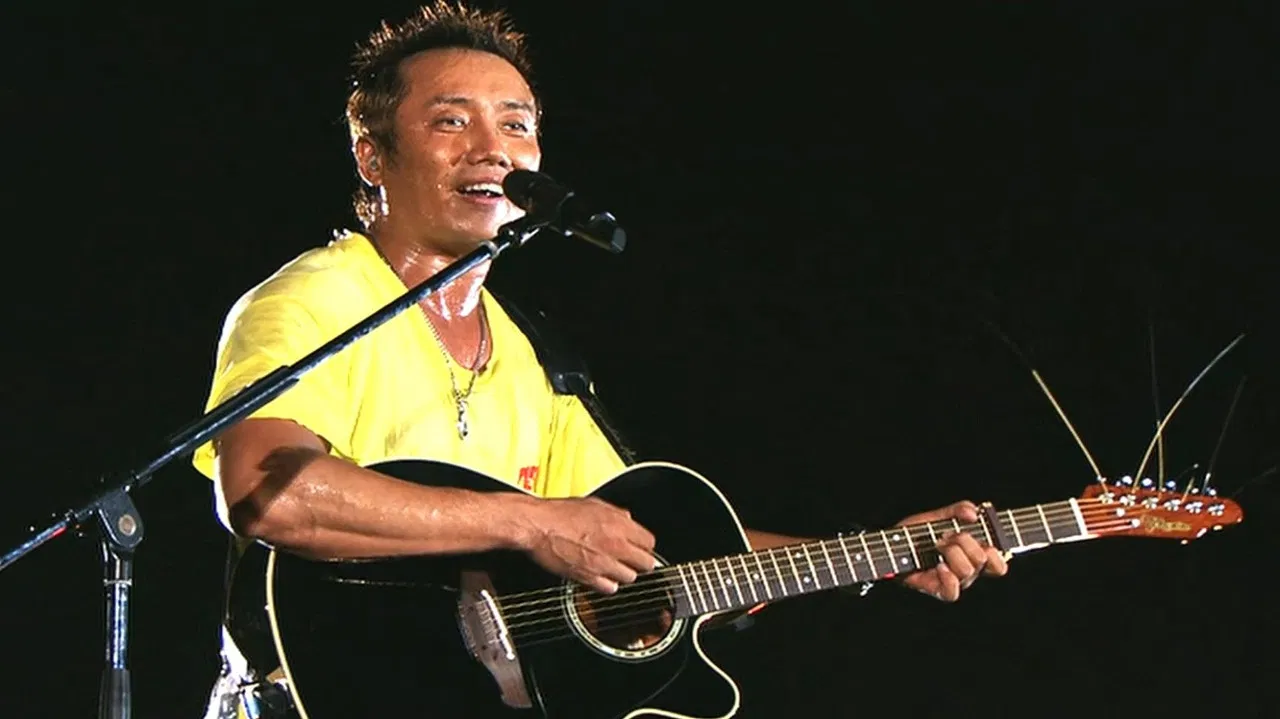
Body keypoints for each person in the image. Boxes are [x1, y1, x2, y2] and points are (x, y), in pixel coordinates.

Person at [192, 3, 1007, 717]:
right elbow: (270, 491)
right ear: (372, 155)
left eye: (517, 124)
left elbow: (642, 552)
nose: (494, 149)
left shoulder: (531, 352)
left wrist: (876, 553)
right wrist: (532, 520)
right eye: (451, 121)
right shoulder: (314, 298)